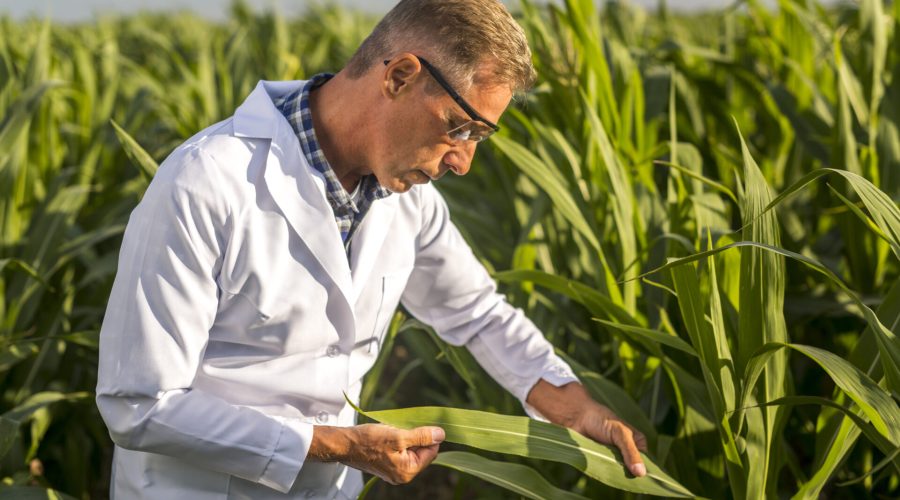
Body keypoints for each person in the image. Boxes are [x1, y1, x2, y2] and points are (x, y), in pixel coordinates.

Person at [95, 0, 648, 498]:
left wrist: (575, 409)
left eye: (480, 137)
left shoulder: (406, 199)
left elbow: (476, 313)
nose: (462, 161)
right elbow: (139, 404)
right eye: (460, 127)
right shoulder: (208, 182)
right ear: (402, 76)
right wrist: (339, 446)